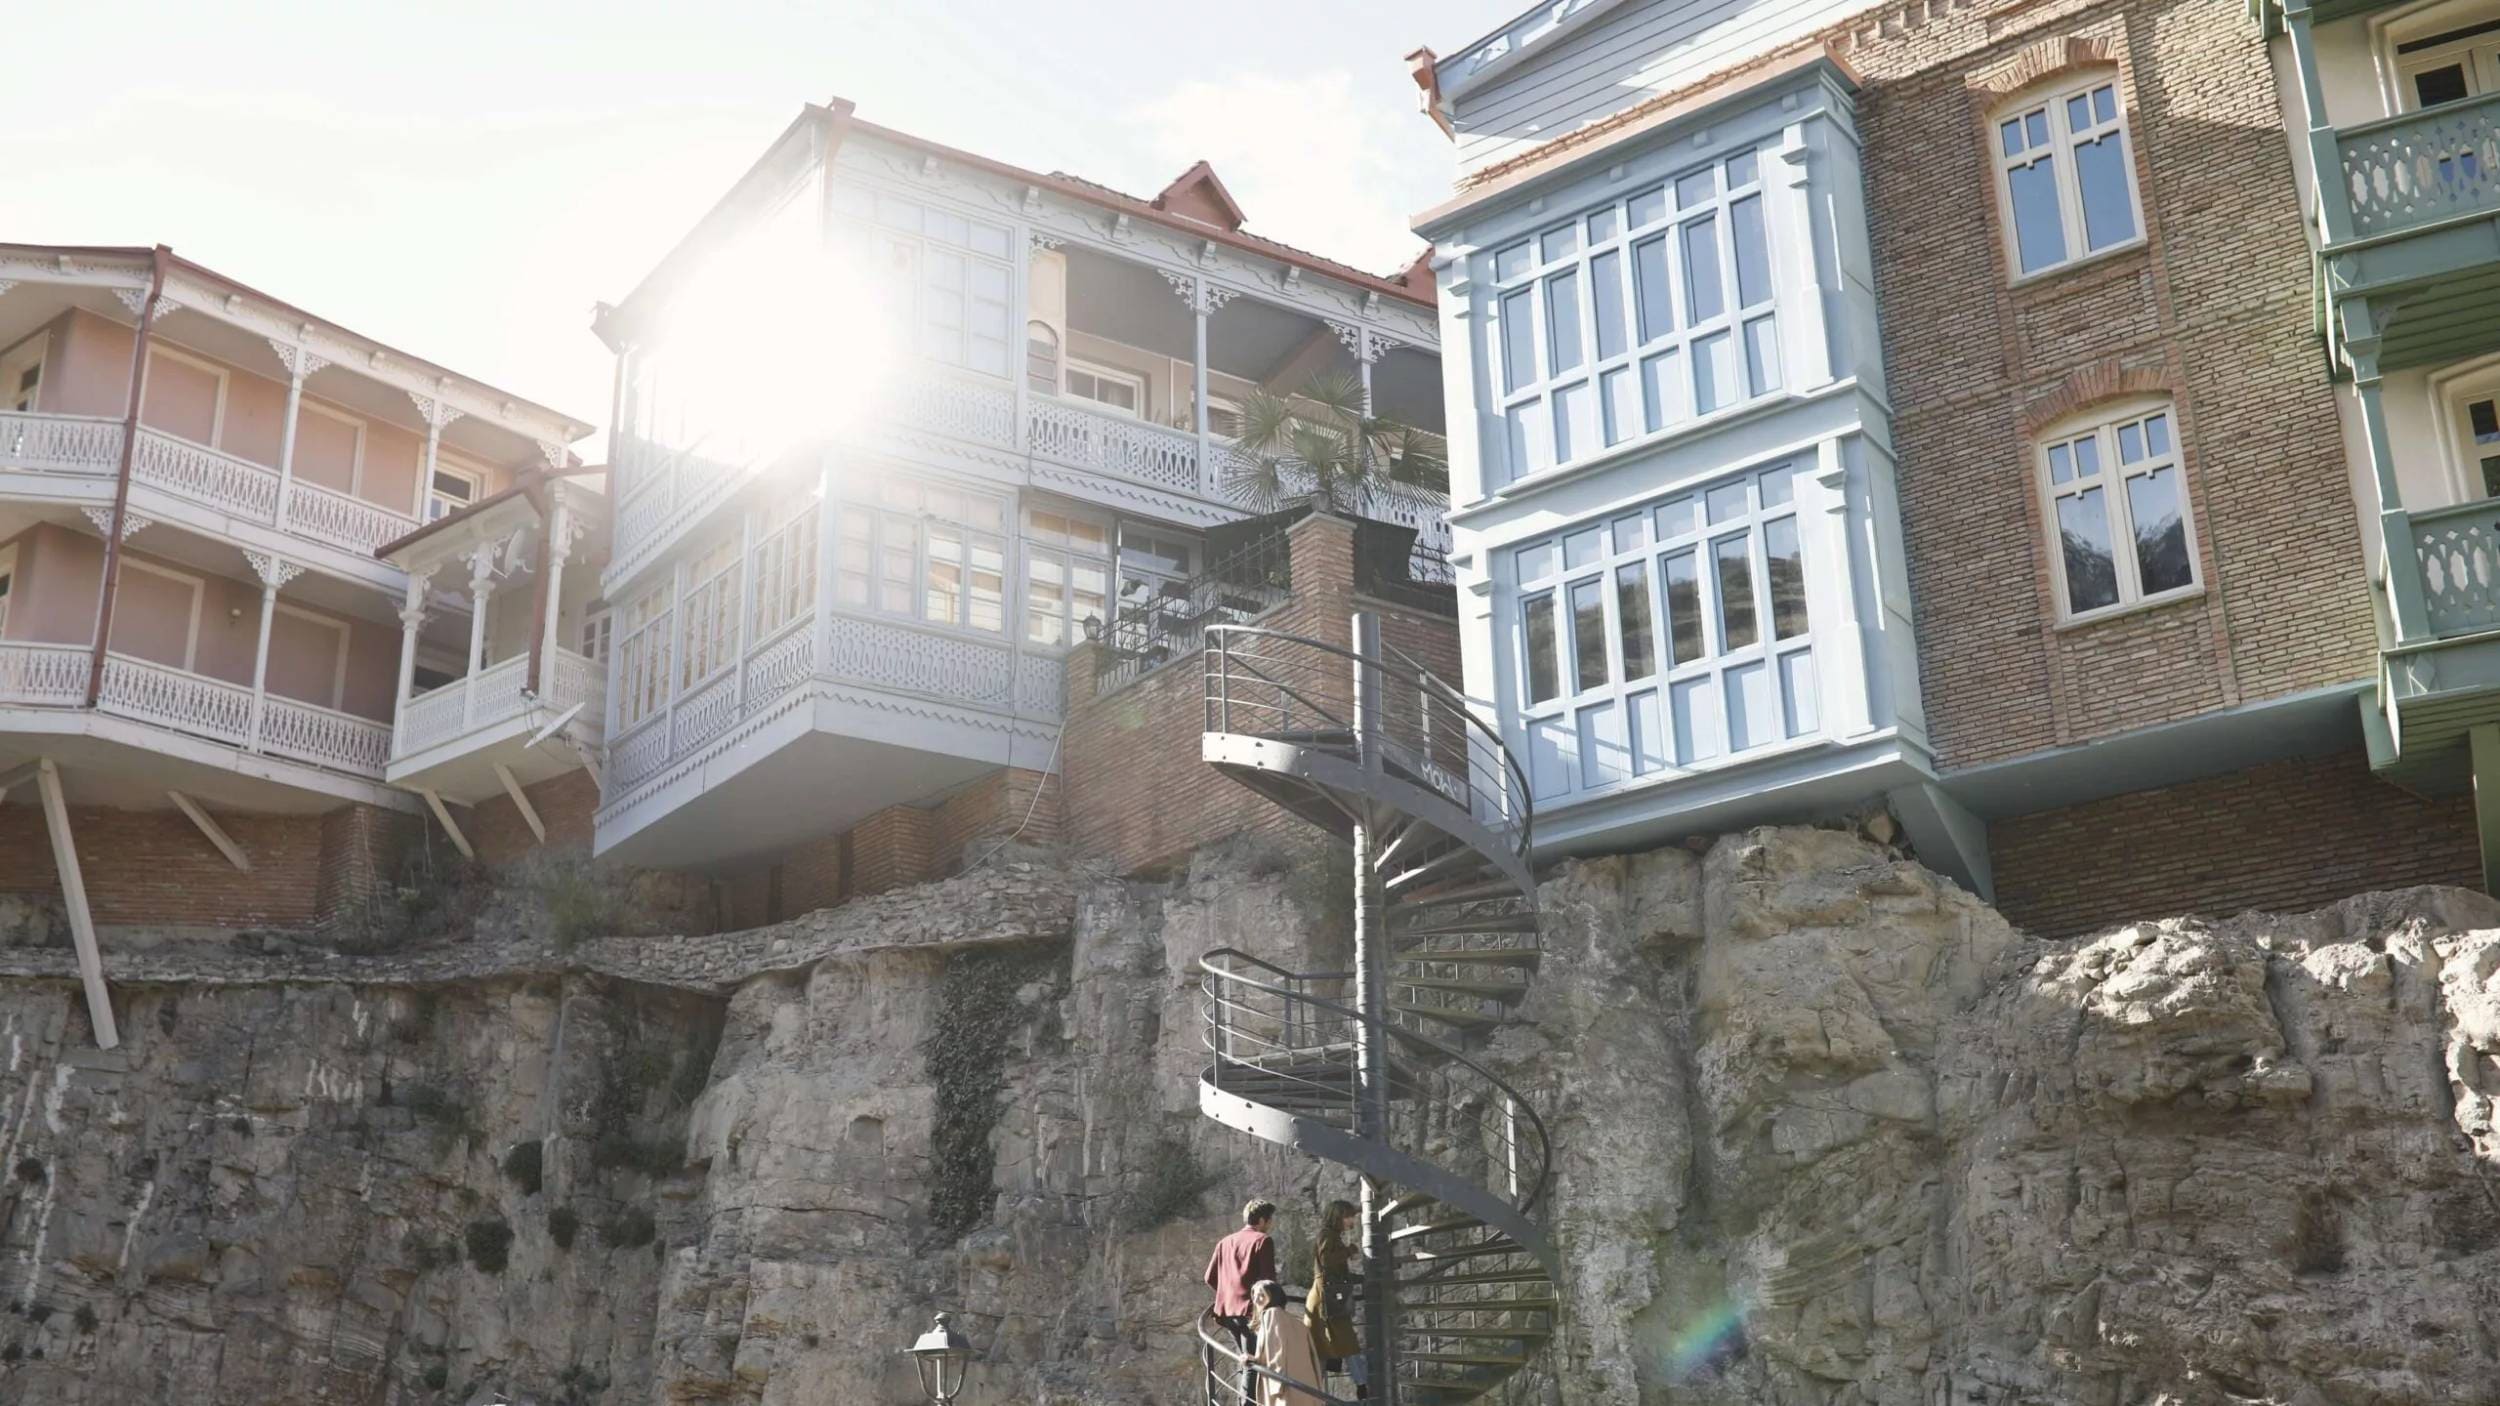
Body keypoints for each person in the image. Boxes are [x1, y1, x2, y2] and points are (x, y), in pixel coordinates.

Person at [1205, 1200, 1279, 1357]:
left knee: (1246, 1359)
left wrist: (1229, 1294)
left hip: (1227, 1312)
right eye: (1270, 1220)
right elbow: (1268, 1281)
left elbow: (1209, 1278)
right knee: (1255, 1361)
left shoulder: (1224, 1242)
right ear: (1262, 1220)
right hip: (1251, 1312)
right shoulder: (1262, 1240)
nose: (1270, 1224)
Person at [1307, 1199, 1365, 1393]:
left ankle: (1319, 1395)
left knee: (1328, 1347)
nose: (1352, 1221)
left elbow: (1334, 1270)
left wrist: (1359, 1278)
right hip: (1327, 1301)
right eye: (1348, 1217)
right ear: (1338, 1217)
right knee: (1344, 1345)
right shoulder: (1327, 1235)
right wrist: (1350, 1251)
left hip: (1329, 1299)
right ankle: (1363, 1390)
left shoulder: (1331, 1236)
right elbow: (1327, 1261)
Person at [1250, 1278, 1327, 1406]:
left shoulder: (1272, 1314)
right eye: (1254, 1296)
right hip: (1305, 1389)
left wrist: (1276, 1387)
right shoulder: (1296, 1323)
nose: (1256, 1300)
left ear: (1273, 1297)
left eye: (1262, 1295)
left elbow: (1276, 1352)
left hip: (1286, 1390)